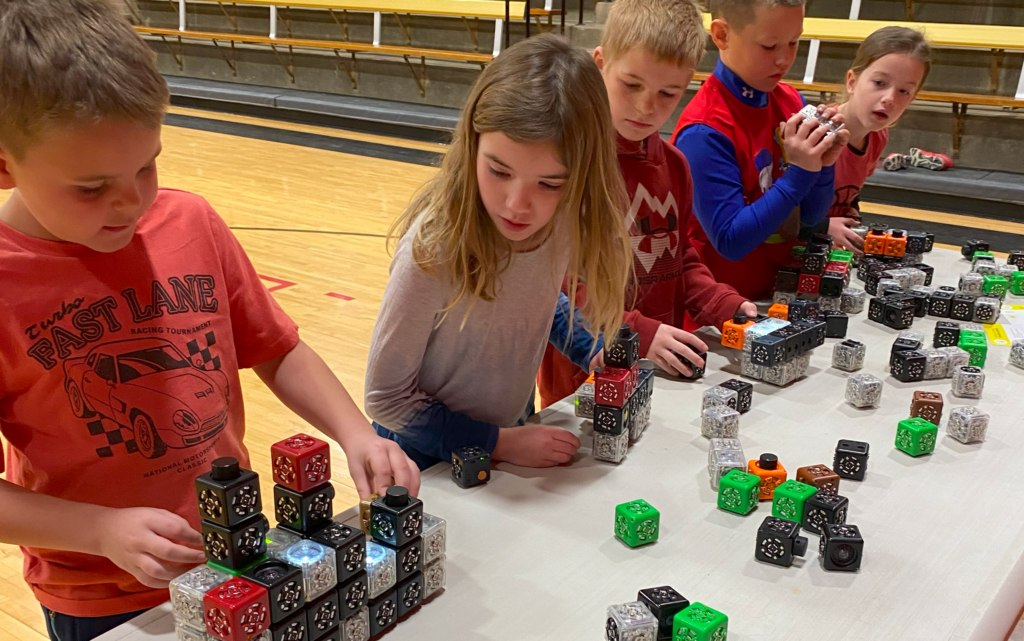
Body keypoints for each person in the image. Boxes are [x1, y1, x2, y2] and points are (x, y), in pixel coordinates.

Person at [0, 1, 418, 638]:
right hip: (104, 598)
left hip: (236, 557)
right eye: (92, 187)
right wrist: (99, 529)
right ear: (5, 164)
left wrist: (355, 432)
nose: (132, 202)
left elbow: (277, 349)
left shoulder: (191, 222)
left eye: (148, 165)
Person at [364, 34, 634, 470]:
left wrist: (589, 348)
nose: (516, 204)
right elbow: (385, 398)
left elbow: (536, 298)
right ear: (473, 144)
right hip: (421, 459)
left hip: (507, 436)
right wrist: (499, 443)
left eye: (549, 183)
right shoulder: (433, 249)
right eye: (498, 171)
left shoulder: (563, 216)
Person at [537, 0, 757, 407]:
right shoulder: (563, 163)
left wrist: (720, 303)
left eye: (667, 93)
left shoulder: (674, 165)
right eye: (631, 85)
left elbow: (679, 256)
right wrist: (638, 330)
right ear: (598, 64)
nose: (646, 106)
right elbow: (553, 284)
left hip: (657, 375)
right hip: (578, 385)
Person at [673, 0, 851, 300]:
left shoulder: (790, 100)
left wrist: (822, 164)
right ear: (721, 35)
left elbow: (809, 216)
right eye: (769, 46)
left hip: (777, 295)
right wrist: (800, 173)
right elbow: (730, 241)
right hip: (720, 310)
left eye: (794, 42)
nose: (784, 59)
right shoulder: (703, 131)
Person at [827, 26, 931, 254]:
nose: (889, 99)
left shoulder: (878, 136)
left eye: (904, 91)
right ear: (852, 82)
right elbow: (780, 207)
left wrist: (850, 214)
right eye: (880, 83)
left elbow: (848, 193)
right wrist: (822, 226)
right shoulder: (819, 131)